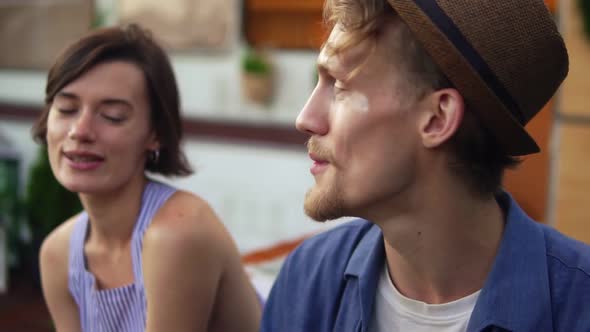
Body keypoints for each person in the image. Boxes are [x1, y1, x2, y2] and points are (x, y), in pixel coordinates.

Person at [262, 0, 590, 331]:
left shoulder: (577, 307)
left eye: (340, 86)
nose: (305, 119)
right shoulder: (310, 280)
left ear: (437, 118)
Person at [35, 24, 261, 332]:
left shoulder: (178, 232)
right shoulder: (58, 254)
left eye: (112, 115)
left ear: (155, 134)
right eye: (66, 108)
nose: (80, 131)